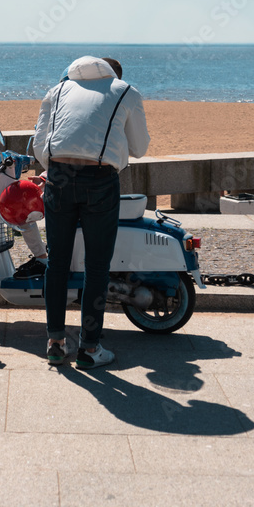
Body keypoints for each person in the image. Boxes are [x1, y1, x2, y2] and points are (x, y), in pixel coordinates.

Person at [33, 55, 149, 368]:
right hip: (99, 180)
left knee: (56, 262)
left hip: (58, 177)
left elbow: (39, 144)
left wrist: (58, 171)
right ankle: (89, 348)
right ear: (113, 74)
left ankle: (55, 343)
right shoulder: (126, 91)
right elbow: (140, 147)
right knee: (97, 265)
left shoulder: (57, 91)